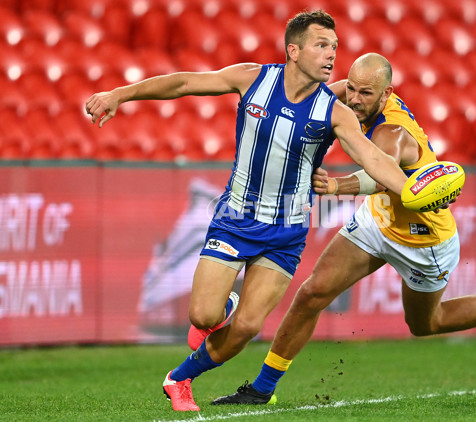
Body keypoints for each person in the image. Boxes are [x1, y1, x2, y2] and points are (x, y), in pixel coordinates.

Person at [86, 12, 414, 412]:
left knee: (247, 329)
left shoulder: (334, 111)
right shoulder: (254, 79)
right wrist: (121, 93)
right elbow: (185, 82)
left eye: (334, 46)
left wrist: (413, 190)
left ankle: (180, 378)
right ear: (293, 50)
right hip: (237, 219)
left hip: (288, 233)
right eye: (321, 45)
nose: (331, 55)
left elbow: (373, 159)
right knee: (203, 314)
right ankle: (222, 307)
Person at [210, 53, 476, 406]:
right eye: (353, 89)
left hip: (425, 239)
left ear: (387, 94)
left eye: (366, 94)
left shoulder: (393, 131)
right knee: (312, 294)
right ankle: (262, 389)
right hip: (379, 220)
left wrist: (337, 187)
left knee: (426, 324)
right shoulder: (355, 92)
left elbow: (379, 169)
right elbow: (324, 96)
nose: (355, 99)